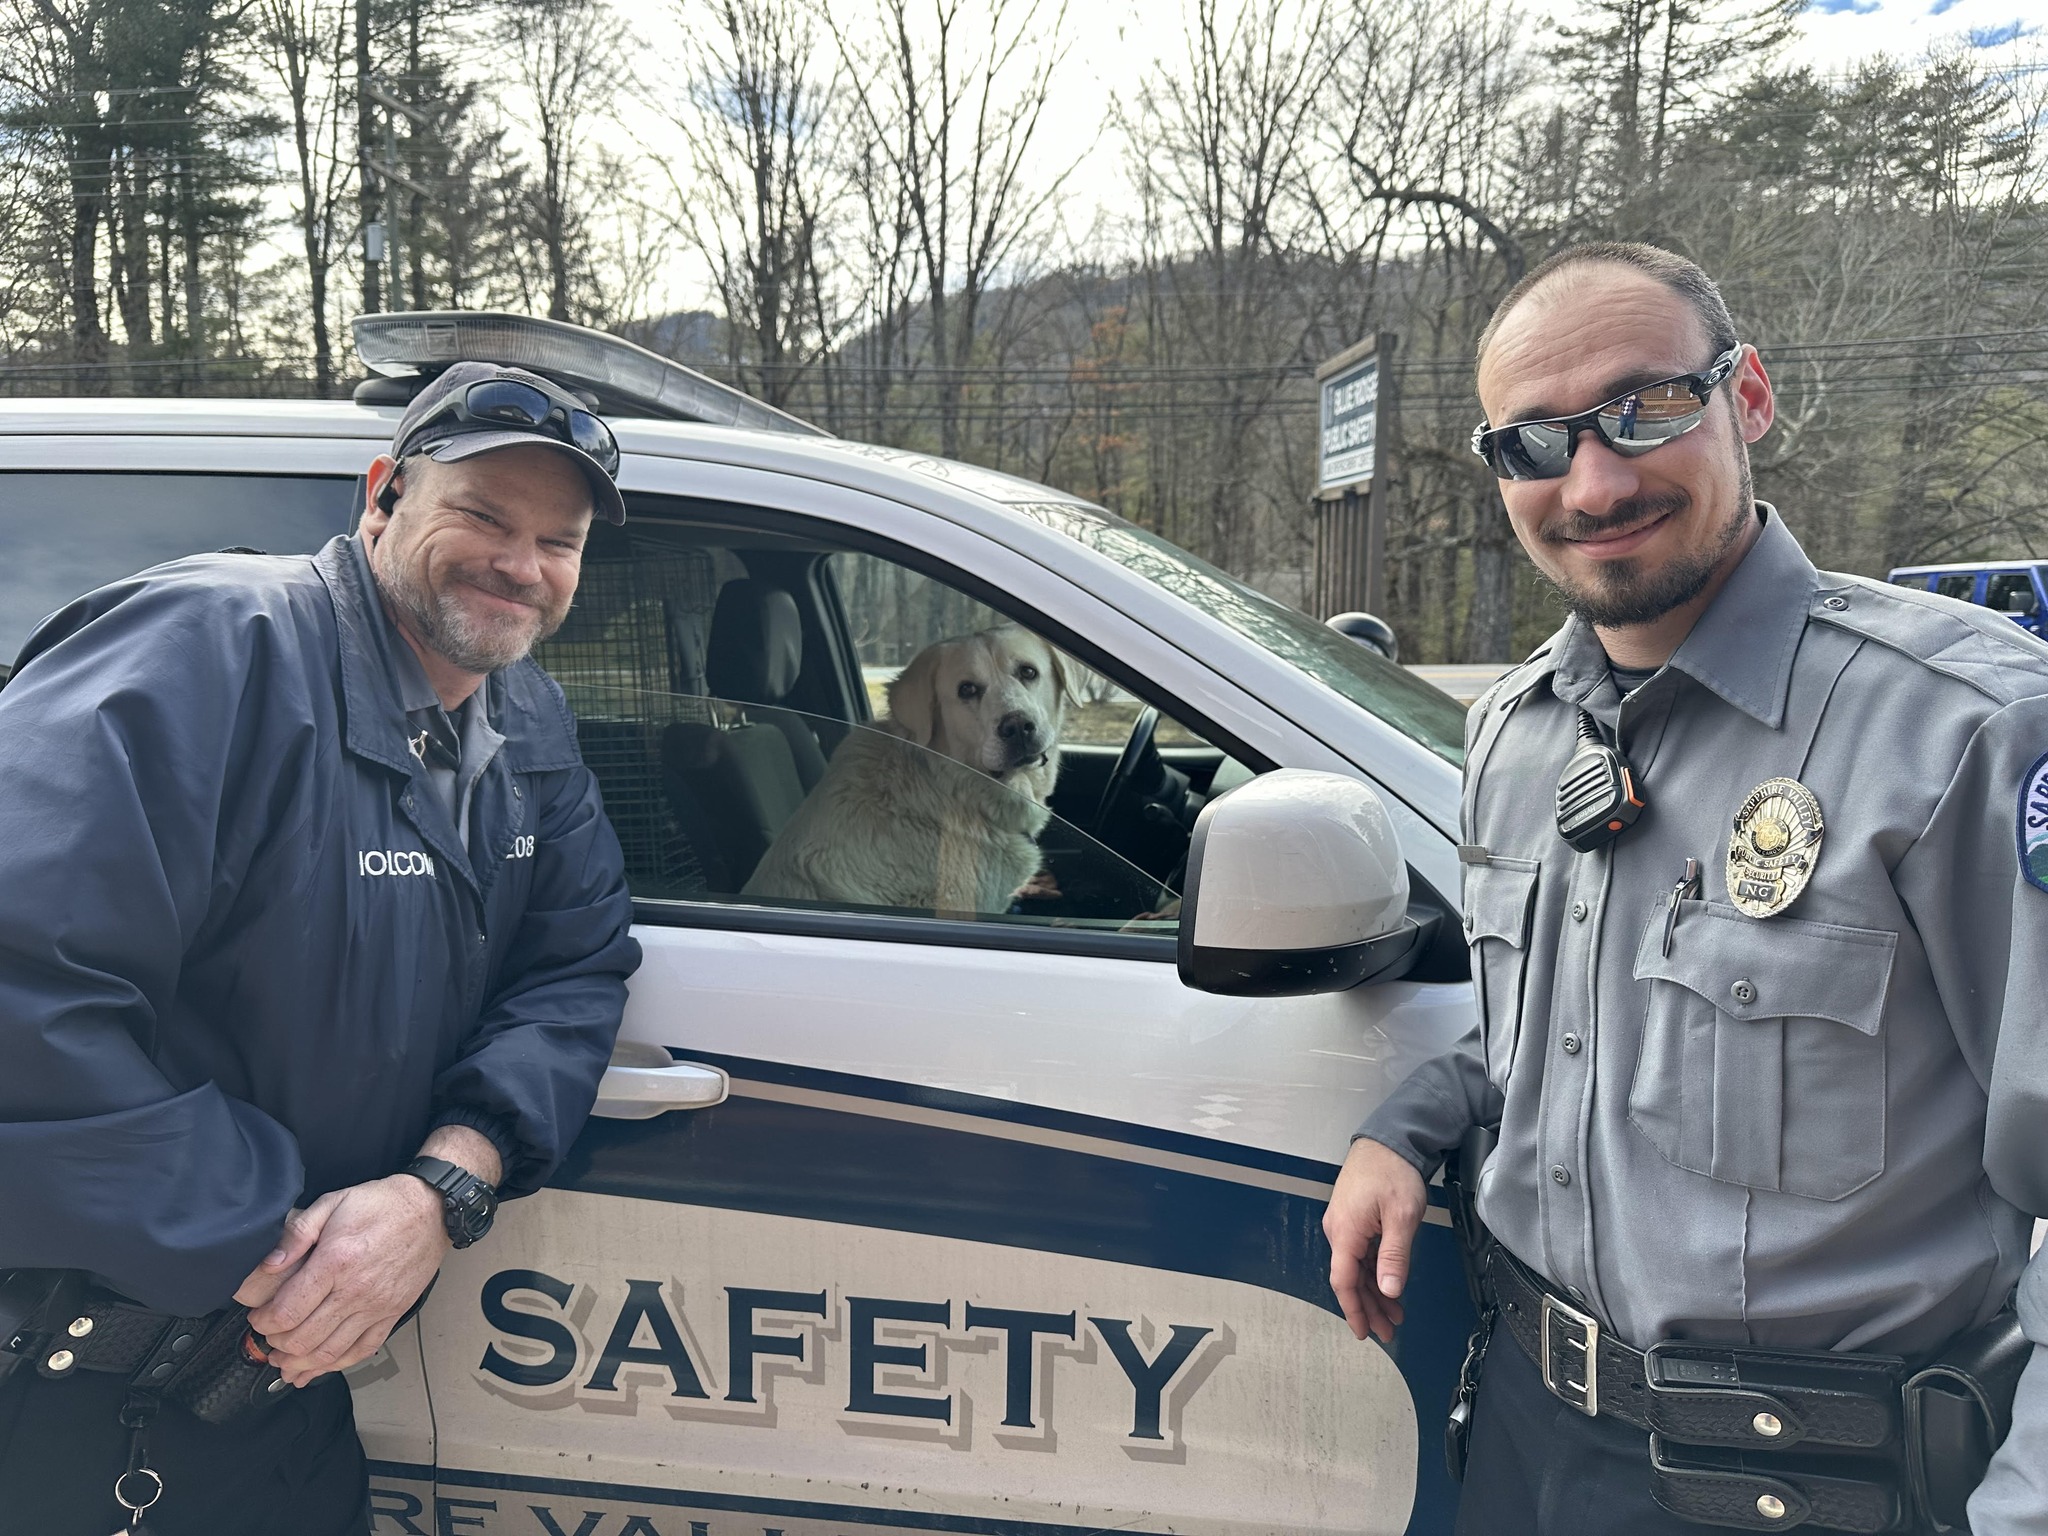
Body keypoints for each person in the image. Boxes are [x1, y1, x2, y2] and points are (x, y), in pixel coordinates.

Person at [1325, 243, 2048, 1533]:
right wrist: (1413, 1120)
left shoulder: (1966, 735)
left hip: (1813, 1489)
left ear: (1748, 397)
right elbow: (1552, 1032)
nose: (1593, 483)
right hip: (1525, 1450)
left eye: (1643, 410)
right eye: (1534, 444)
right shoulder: (1514, 734)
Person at [0, 361, 642, 1534]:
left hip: (274, 1417)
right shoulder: (212, 649)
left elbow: (573, 967)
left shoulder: (527, 727)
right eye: (484, 515)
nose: (522, 563)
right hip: (66, 1406)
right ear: (383, 495)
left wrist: (441, 1186)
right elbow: (20, 983)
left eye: (560, 539)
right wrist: (271, 1245)